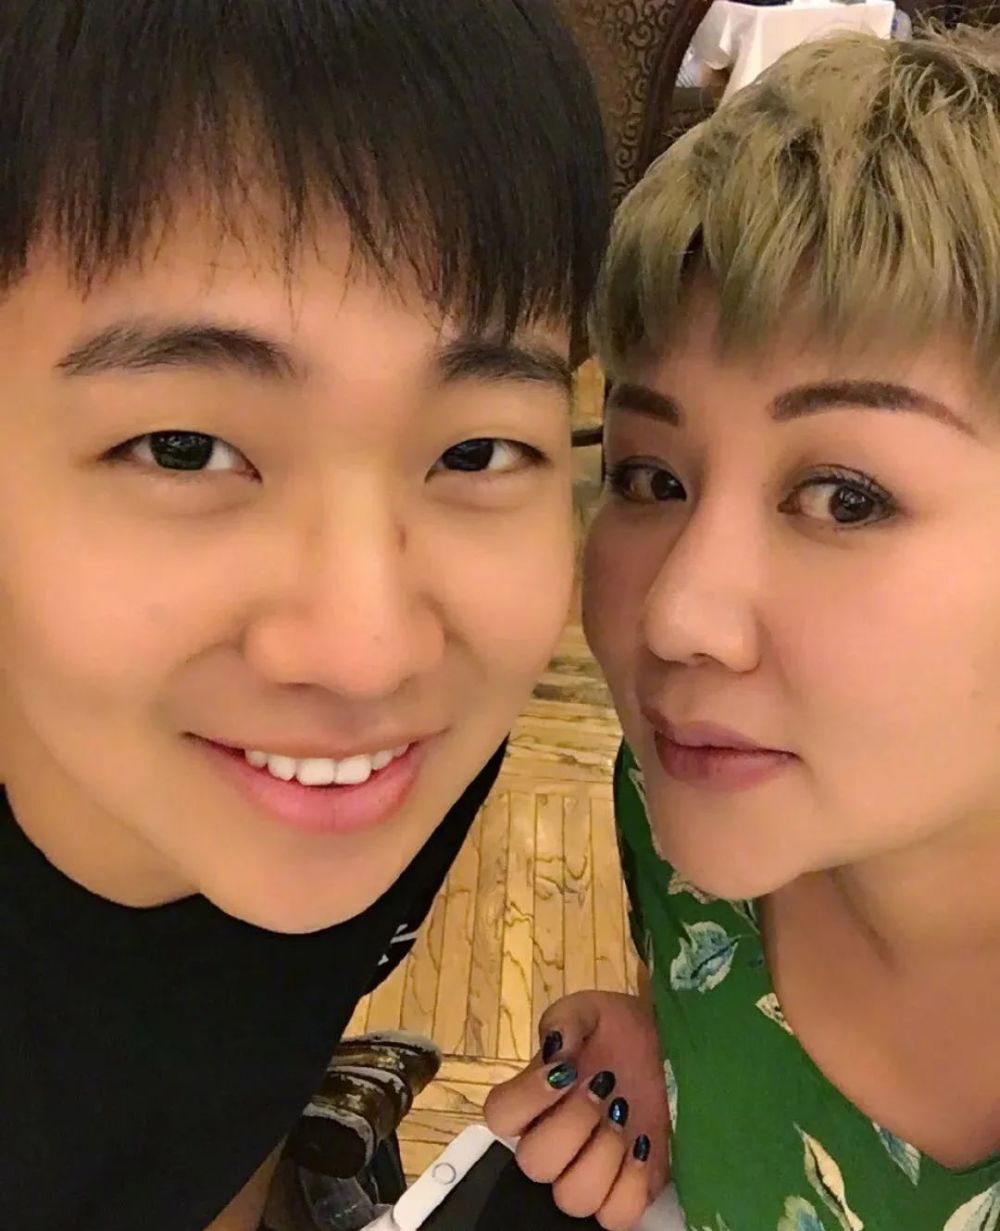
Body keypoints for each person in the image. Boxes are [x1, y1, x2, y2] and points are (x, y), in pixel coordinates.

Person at [0, 3, 609, 1228]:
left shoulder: (389, 764)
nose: (367, 653)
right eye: (184, 448)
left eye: (476, 450)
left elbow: (224, 1089)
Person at [488, 24, 1000, 1231]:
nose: (678, 617)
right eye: (649, 477)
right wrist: (685, 1056)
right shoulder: (689, 807)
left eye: (844, 497)